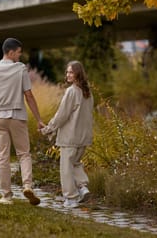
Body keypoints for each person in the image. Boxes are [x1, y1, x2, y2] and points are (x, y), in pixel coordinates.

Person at [0, 37, 45, 205]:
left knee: (2, 157)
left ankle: (6, 196)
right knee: (24, 154)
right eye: (18, 53)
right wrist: (39, 119)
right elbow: (29, 95)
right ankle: (27, 186)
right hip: (17, 117)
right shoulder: (20, 69)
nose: (20, 56)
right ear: (11, 52)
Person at [41, 60, 94, 208]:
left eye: (71, 72)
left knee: (66, 167)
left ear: (78, 73)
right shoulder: (87, 92)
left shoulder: (71, 91)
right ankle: (83, 188)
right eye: (67, 72)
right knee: (75, 163)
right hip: (83, 137)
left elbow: (61, 115)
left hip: (70, 138)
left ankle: (71, 198)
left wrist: (48, 128)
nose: (68, 74)